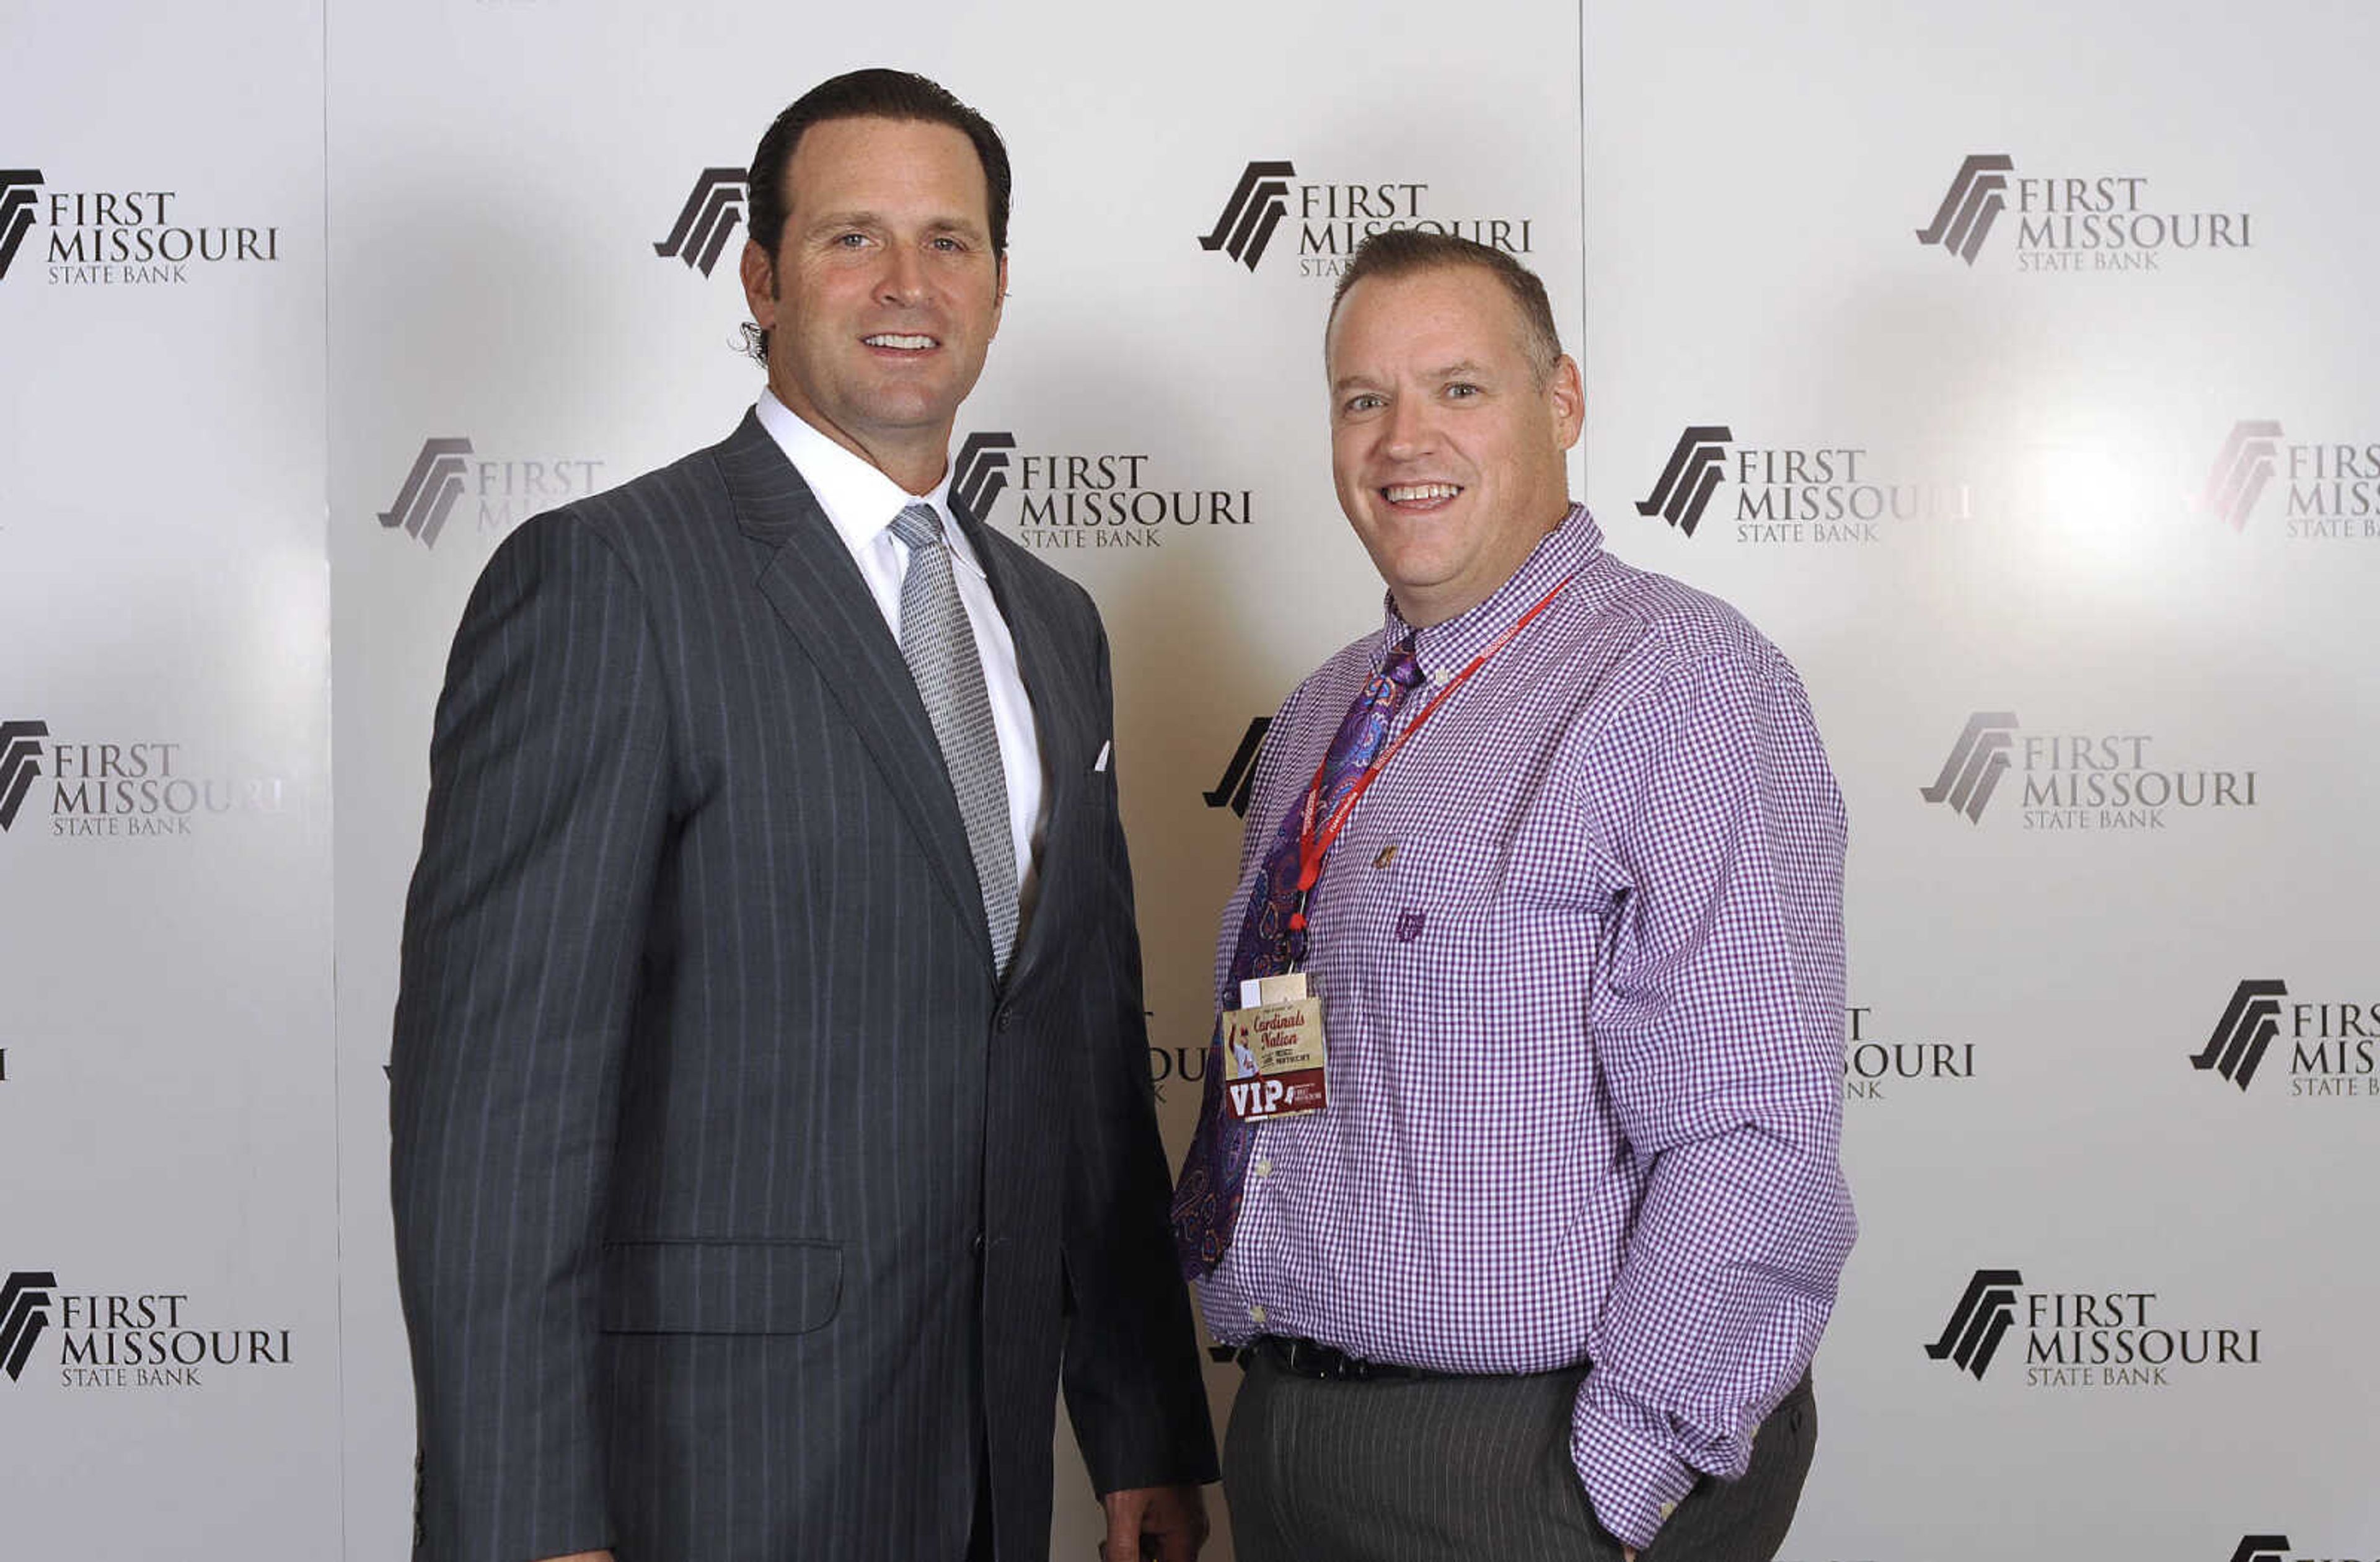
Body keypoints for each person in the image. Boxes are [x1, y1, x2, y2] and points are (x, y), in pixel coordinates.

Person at [389, 68, 1216, 1562]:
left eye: (949, 242)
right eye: (853, 238)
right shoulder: (606, 585)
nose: (908, 284)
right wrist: (524, 1529)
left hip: (983, 1470)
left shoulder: (1054, 624)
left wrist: (1143, 1426)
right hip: (702, 1486)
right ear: (762, 276)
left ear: (1001, 285)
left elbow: (1081, 1063)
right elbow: (497, 1126)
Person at [1171, 230, 1854, 1562]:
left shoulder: (1682, 683)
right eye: (1364, 399)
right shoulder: (1324, 716)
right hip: (1291, 1433)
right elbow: (1284, 1043)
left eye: (1458, 388)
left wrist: (1611, 1481)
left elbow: (1750, 1133)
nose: (1400, 438)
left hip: (1519, 1469)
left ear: (1565, 405)